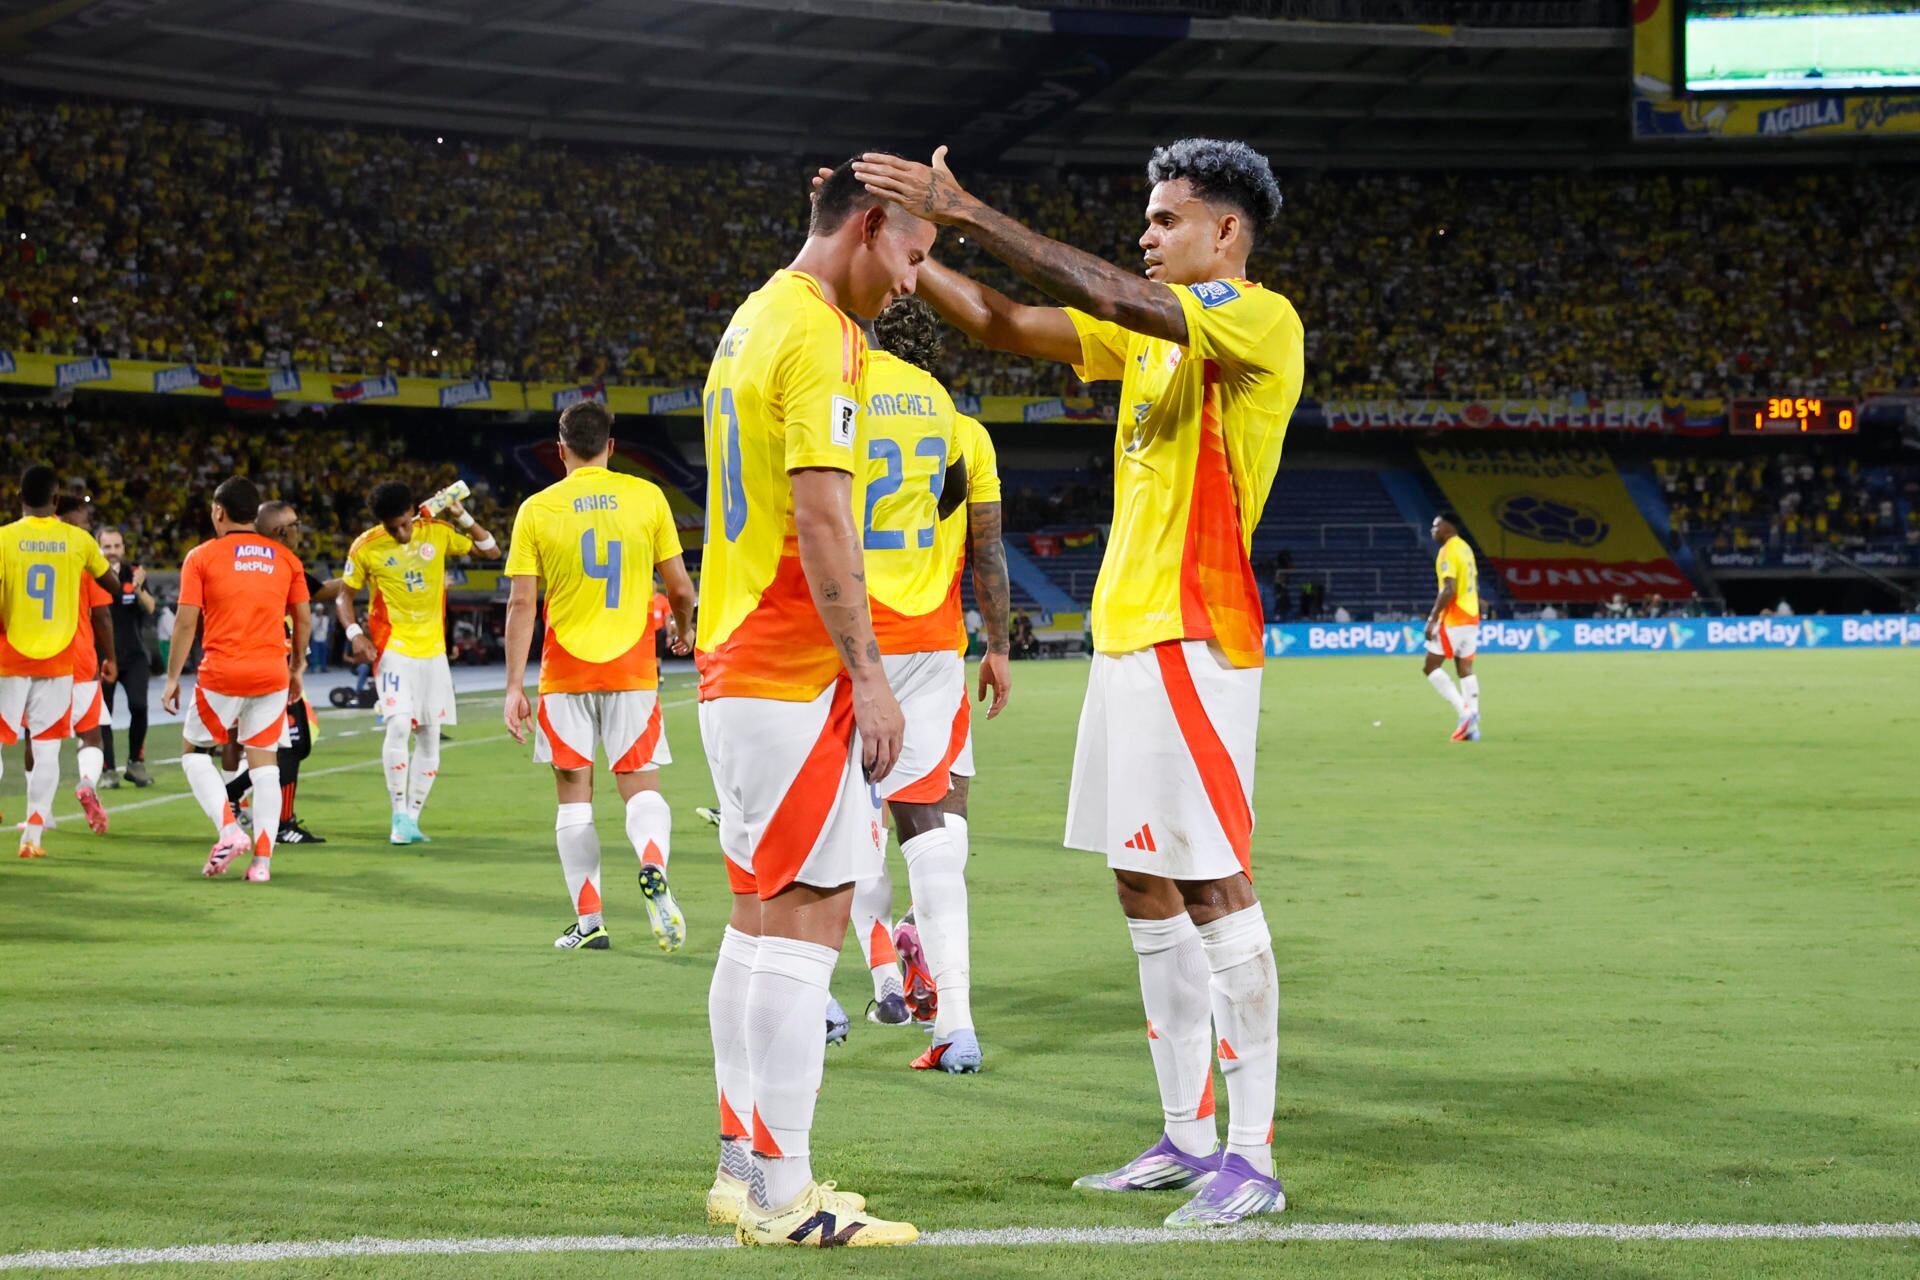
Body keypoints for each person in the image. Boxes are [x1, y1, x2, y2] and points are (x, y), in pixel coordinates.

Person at [852, 137, 1301, 1226]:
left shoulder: (1256, 320)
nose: (1144, 237)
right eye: (1144, 221)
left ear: (1225, 232)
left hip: (1197, 637)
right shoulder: (1145, 337)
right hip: (1128, 641)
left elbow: (1088, 284)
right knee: (1142, 885)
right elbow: (1006, 322)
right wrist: (908, 249)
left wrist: (965, 210)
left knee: (1213, 883)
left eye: (1166, 219)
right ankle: (1186, 1134)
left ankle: (1253, 1153)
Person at [696, 156, 930, 1247]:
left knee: (754, 922)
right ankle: (787, 1197)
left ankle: (742, 1170)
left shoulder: (750, 318)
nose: (918, 284)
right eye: (917, 256)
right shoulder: (826, 336)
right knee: (809, 919)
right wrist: (871, 673)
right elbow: (823, 514)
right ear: (870, 225)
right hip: (791, 668)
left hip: (737, 661)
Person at [502, 401, 696, 954]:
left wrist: (515, 686)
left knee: (573, 800)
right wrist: (682, 628)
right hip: (633, 670)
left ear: (560, 449)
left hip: (565, 674)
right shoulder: (647, 498)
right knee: (640, 785)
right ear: (612, 446)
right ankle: (653, 865)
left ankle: (589, 923)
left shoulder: (536, 509)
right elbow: (681, 589)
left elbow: (521, 602)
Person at [336, 480, 502, 845]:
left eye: (403, 523)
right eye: (391, 527)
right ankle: (397, 813)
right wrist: (354, 634)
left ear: (413, 510)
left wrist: (462, 516)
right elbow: (344, 596)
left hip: (434, 652)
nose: (400, 532)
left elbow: (490, 552)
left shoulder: (438, 531)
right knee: (397, 725)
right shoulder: (366, 546)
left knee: (429, 733)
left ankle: (411, 820)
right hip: (393, 647)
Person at [160, 476, 308, 882]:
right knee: (265, 767)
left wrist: (172, 677)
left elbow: (187, 622)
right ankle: (262, 864)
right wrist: (297, 667)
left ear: (219, 512)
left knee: (194, 752)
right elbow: (304, 618)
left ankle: (229, 830)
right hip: (272, 673)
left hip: (223, 672)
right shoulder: (285, 559)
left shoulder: (201, 557)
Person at [0, 464, 119, 857]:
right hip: (58, 660)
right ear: (55, 501)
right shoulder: (79, 540)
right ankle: (33, 834)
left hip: (8, 656)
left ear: (20, 499)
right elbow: (112, 588)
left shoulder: (3, 538)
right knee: (49, 748)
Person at [52, 494, 117, 834]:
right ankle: (88, 782)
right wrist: (111, 657)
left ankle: (39, 815)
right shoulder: (83, 554)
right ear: (68, 518)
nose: (89, 525)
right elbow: (103, 614)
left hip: (34, 660)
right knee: (90, 736)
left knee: (40, 738)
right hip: (79, 659)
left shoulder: (21, 547)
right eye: (85, 519)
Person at [98, 527, 157, 788]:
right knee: (103, 715)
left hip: (134, 655)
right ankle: (107, 769)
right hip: (102, 656)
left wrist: (139, 587)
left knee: (139, 707)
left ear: (123, 547)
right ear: (98, 548)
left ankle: (135, 763)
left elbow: (151, 607)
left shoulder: (135, 573)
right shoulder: (90, 574)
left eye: (116, 546)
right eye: (107, 547)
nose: (112, 552)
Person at [1422, 512, 1481, 743]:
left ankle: (1464, 713)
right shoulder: (1466, 548)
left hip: (1454, 619)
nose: (1432, 530)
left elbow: (1448, 588)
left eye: (1436, 526)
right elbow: (1473, 582)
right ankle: (1474, 719)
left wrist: (1433, 618)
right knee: (1464, 667)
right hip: (1472, 616)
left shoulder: (1448, 550)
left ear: (1447, 528)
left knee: (1430, 666)